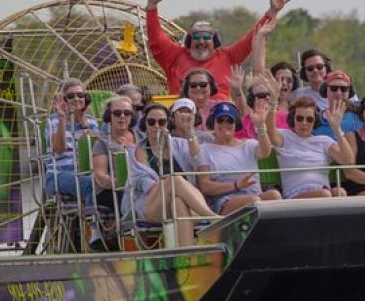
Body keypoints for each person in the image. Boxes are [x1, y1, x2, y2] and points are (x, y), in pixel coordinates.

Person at [145, 0, 292, 98]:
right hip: (183, 119)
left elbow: (251, 39)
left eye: (207, 36)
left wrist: (272, 12)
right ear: (189, 40)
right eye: (196, 36)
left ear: (214, 41)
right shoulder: (174, 56)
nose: (201, 41)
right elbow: (156, 37)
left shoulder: (227, 57)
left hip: (220, 122)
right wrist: (152, 6)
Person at [125, 103, 217, 246]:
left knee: (178, 202)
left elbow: (199, 162)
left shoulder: (180, 144)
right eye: (151, 122)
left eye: (161, 122)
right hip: (153, 204)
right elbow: (145, 185)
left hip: (188, 203)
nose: (156, 126)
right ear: (145, 124)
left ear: (167, 124)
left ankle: (185, 255)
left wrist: (189, 132)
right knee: (175, 180)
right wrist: (170, 184)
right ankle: (213, 218)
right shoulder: (135, 152)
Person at [290, 32, 365, 110]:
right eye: (310, 68)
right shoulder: (296, 96)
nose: (315, 71)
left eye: (319, 66)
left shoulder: (350, 105)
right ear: (303, 72)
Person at [197, 101, 281, 215]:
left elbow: (265, 152)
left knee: (274, 196)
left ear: (235, 124)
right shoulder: (204, 149)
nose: (225, 124)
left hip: (254, 194)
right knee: (253, 202)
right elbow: (205, 186)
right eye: (220, 120)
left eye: (230, 121)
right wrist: (236, 185)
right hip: (225, 200)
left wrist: (260, 126)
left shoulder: (248, 145)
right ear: (213, 123)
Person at [266, 96, 354, 199]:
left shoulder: (324, 141)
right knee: (325, 195)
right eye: (299, 118)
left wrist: (337, 129)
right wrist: (273, 103)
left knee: (340, 192)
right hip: (295, 195)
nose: (304, 123)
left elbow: (348, 160)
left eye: (309, 119)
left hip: (324, 191)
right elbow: (270, 131)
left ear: (314, 121)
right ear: (293, 119)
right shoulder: (285, 137)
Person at [90, 95, 140, 250]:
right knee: (128, 196)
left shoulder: (142, 139)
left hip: (140, 185)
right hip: (111, 189)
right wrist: (123, 184)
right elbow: (100, 176)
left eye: (127, 113)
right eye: (117, 113)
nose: (122, 116)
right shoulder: (102, 143)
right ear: (109, 116)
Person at [44, 78, 100, 202]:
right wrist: (62, 119)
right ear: (64, 100)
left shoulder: (90, 121)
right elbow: (59, 149)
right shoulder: (54, 120)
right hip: (58, 174)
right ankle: (93, 220)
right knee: (92, 184)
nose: (76, 99)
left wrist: (84, 123)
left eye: (80, 95)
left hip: (86, 172)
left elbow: (97, 150)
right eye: (70, 96)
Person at [312, 69, 361, 140]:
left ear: (349, 92)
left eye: (343, 89)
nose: (338, 92)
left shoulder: (360, 113)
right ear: (326, 90)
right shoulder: (315, 119)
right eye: (333, 88)